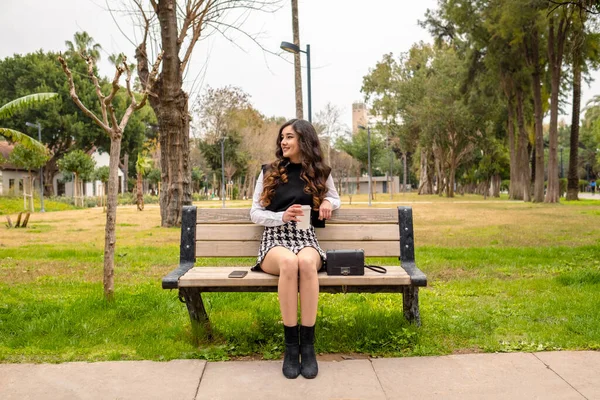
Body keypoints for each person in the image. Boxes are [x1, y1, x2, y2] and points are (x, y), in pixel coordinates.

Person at [250, 119, 341, 379]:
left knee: (306, 263)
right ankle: (291, 348)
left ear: (304, 140)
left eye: (289, 137)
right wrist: (281, 217)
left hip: (306, 237)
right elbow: (255, 213)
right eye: (282, 137)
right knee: (290, 262)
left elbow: (335, 197)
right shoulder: (269, 170)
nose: (283, 142)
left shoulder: (320, 171)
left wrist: (327, 202)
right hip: (275, 240)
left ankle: (308, 347)